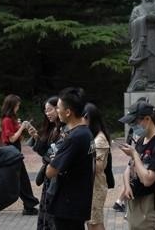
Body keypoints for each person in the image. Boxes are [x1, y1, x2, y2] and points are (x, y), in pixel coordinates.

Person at [117, 99, 155, 230]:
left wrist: (134, 155)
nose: (132, 127)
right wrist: (127, 186)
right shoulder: (142, 140)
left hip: (151, 204)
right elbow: (128, 168)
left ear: (147, 119)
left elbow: (148, 179)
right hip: (135, 201)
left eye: (134, 123)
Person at [45, 87, 95, 230]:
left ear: (68, 112)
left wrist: (55, 160)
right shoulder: (86, 133)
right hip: (79, 201)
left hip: (68, 205)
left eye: (58, 107)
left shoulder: (74, 137)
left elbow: (50, 172)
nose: (57, 110)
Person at [0, 94, 39, 216]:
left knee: (21, 179)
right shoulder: (6, 120)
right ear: (11, 106)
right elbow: (11, 139)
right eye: (17, 106)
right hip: (11, 151)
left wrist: (24, 127)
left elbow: (18, 136)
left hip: (15, 151)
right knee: (20, 179)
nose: (18, 108)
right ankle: (29, 205)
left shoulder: (12, 119)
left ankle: (29, 205)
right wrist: (21, 127)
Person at [27, 96, 62, 230]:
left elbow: (51, 155)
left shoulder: (64, 131)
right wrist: (36, 137)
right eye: (45, 111)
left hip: (56, 178)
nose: (47, 113)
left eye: (50, 110)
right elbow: (47, 152)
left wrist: (42, 147)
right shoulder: (52, 128)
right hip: (49, 179)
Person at [84, 103, 110, 230]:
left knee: (95, 222)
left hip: (96, 186)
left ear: (90, 118)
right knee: (91, 222)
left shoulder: (99, 139)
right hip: (91, 185)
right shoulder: (93, 137)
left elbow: (98, 166)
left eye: (83, 117)